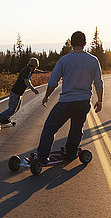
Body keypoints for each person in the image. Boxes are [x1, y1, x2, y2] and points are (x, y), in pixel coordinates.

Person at [37, 31, 103, 163]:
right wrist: (100, 100)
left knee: (50, 128)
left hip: (66, 102)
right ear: (85, 43)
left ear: (71, 44)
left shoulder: (64, 60)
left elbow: (53, 81)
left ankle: (42, 157)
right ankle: (71, 152)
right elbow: (98, 82)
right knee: (76, 129)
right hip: (84, 101)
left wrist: (46, 96)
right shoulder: (93, 60)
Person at [0, 57, 46, 124]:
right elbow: (27, 81)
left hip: (19, 93)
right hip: (16, 92)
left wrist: (43, 72)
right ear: (35, 65)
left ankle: (4, 118)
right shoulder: (26, 71)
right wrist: (33, 89)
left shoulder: (29, 69)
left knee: (16, 109)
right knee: (11, 110)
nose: (35, 68)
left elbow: (36, 71)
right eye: (36, 66)